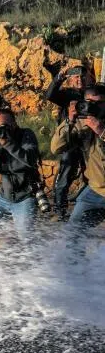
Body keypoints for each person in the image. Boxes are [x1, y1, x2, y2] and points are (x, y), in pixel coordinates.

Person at [50, 83, 105, 259]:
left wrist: (101, 131)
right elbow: (56, 148)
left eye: (99, 103)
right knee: (74, 232)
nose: (94, 107)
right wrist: (70, 120)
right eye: (89, 102)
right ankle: (77, 270)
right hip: (95, 190)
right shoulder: (81, 123)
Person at [0, 108, 43, 242]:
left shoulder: (26, 135)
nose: (2, 129)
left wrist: (7, 143)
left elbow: (29, 159)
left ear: (14, 124)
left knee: (26, 240)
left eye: (6, 126)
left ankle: (45, 256)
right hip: (4, 195)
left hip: (25, 196)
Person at [45, 65, 92, 220]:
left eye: (83, 76)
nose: (80, 80)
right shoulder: (67, 94)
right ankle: (60, 211)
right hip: (71, 141)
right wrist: (60, 76)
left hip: (90, 141)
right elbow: (49, 95)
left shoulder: (94, 93)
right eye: (76, 77)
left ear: (89, 78)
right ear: (71, 80)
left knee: (93, 176)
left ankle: (89, 208)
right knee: (64, 177)